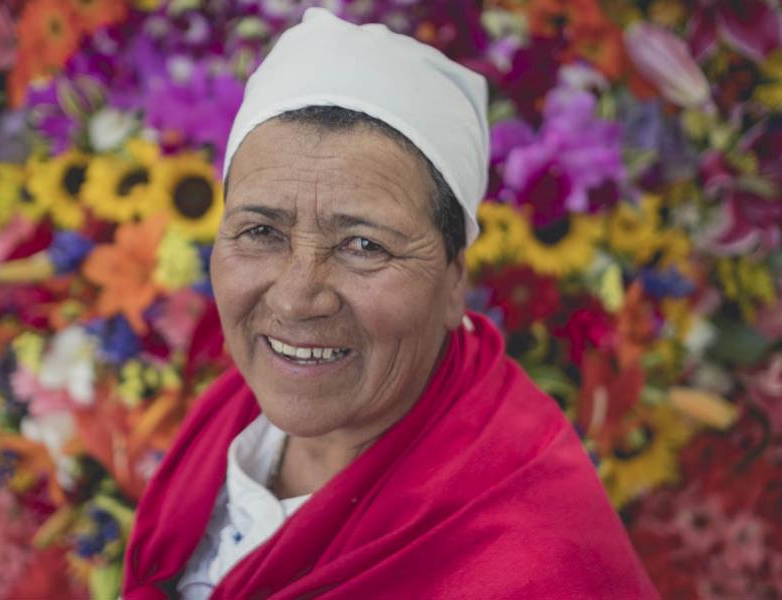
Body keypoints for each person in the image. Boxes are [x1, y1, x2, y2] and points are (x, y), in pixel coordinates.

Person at [123, 8, 658, 599]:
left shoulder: (533, 564)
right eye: (260, 232)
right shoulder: (227, 424)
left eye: (363, 245)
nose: (299, 299)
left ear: (455, 280)